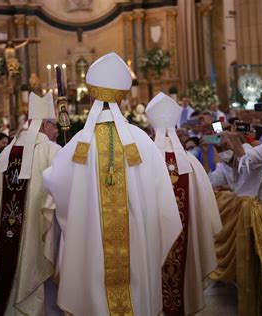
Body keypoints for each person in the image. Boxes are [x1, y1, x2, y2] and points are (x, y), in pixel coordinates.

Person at [42, 52, 181, 315]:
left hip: (92, 245)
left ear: (92, 98)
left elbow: (53, 182)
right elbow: (164, 205)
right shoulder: (142, 141)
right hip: (135, 249)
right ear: (122, 97)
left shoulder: (79, 143)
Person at [0, 92, 61, 315]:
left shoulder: (7, 153)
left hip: (4, 241)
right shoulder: (52, 151)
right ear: (45, 125)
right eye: (54, 125)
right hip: (38, 242)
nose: (56, 130)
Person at [145, 92, 222, 315]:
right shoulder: (191, 164)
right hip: (185, 249)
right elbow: (208, 215)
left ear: (152, 131)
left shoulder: (143, 164)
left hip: (154, 244)